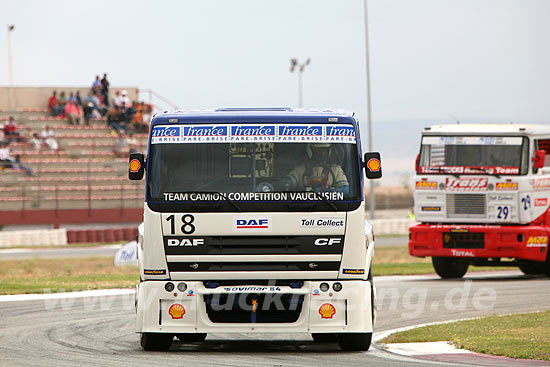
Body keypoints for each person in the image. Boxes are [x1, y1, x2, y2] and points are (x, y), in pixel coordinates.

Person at [282, 143, 349, 195]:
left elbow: (345, 189)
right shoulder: (301, 170)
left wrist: (330, 191)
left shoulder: (336, 170)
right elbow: (286, 183)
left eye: (324, 150)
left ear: (329, 151)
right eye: (318, 150)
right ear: (310, 150)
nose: (322, 153)